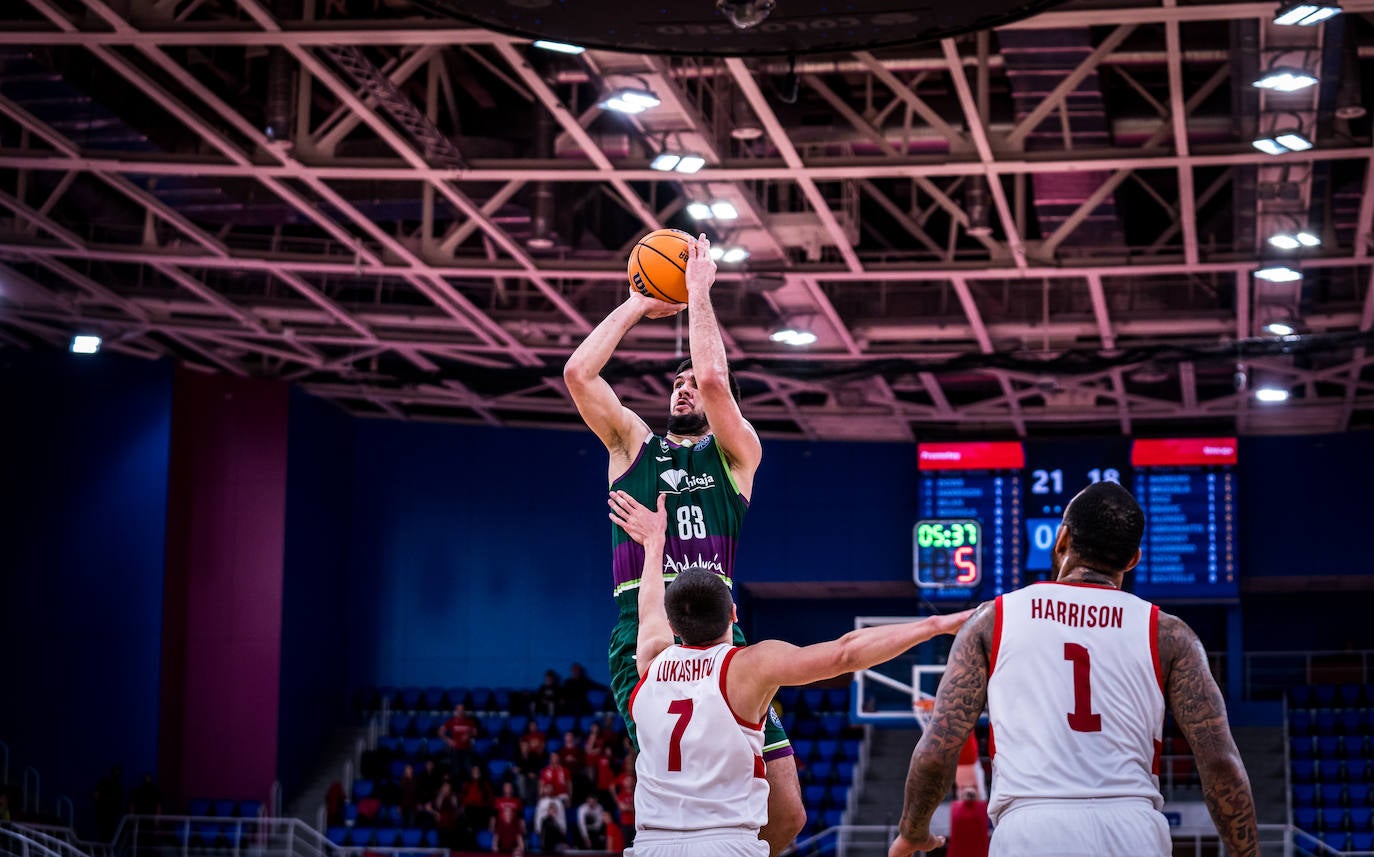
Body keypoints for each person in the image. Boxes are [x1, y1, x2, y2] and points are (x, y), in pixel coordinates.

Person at [565, 233, 806, 854]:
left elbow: (716, 379)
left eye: (690, 384)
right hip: (645, 635)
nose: (684, 388)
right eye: (675, 383)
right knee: (679, 796)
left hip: (723, 637)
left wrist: (698, 294)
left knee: (789, 813)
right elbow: (578, 373)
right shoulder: (631, 448)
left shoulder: (736, 456)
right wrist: (638, 303)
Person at [887, 482, 1259, 857]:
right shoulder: (1171, 634)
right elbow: (1219, 761)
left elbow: (938, 748)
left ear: (1061, 539)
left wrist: (913, 830)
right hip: (1134, 828)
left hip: (1031, 827)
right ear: (1133, 559)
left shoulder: (993, 619)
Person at [610, 490, 969, 857]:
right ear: (734, 615)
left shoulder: (651, 661)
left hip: (651, 845)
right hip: (726, 843)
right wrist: (936, 625)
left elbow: (649, 606)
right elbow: (845, 652)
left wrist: (654, 543)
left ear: (673, 624)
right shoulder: (748, 666)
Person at [439, 704, 478, 776]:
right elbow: (440, 732)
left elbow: (475, 732)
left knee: (469, 770)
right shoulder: (451, 721)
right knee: (456, 771)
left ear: (464, 711)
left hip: (467, 749)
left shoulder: (470, 721)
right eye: (459, 710)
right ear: (456, 711)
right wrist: (448, 740)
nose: (460, 711)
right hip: (456, 749)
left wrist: (469, 735)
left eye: (462, 709)